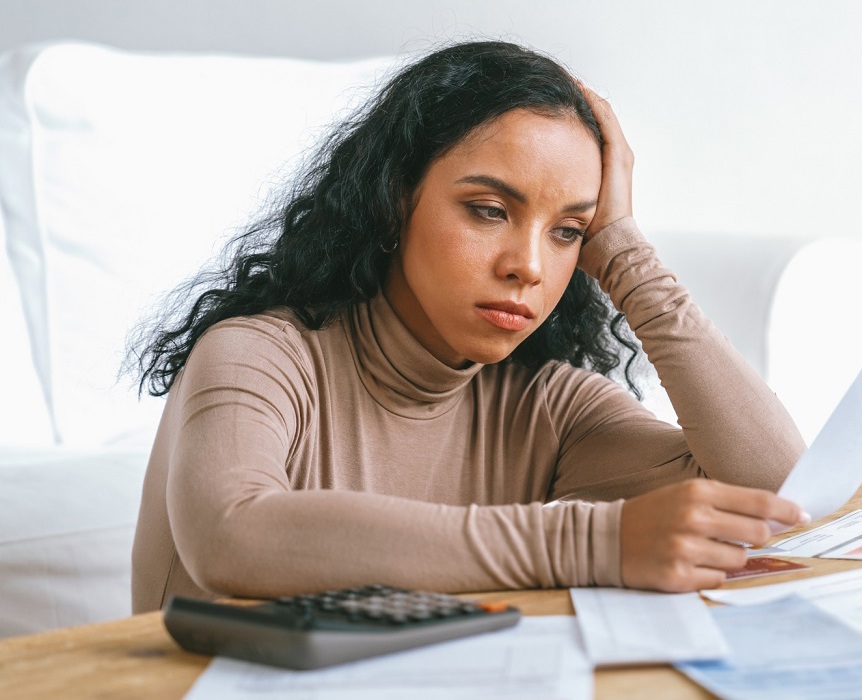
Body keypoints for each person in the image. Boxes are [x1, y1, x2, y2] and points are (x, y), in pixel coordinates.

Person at [129, 40, 809, 613]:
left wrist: (624, 250)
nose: (530, 266)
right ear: (397, 197)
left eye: (569, 230)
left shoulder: (546, 405)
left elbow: (779, 491)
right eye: (488, 209)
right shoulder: (256, 353)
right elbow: (232, 536)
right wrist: (593, 542)